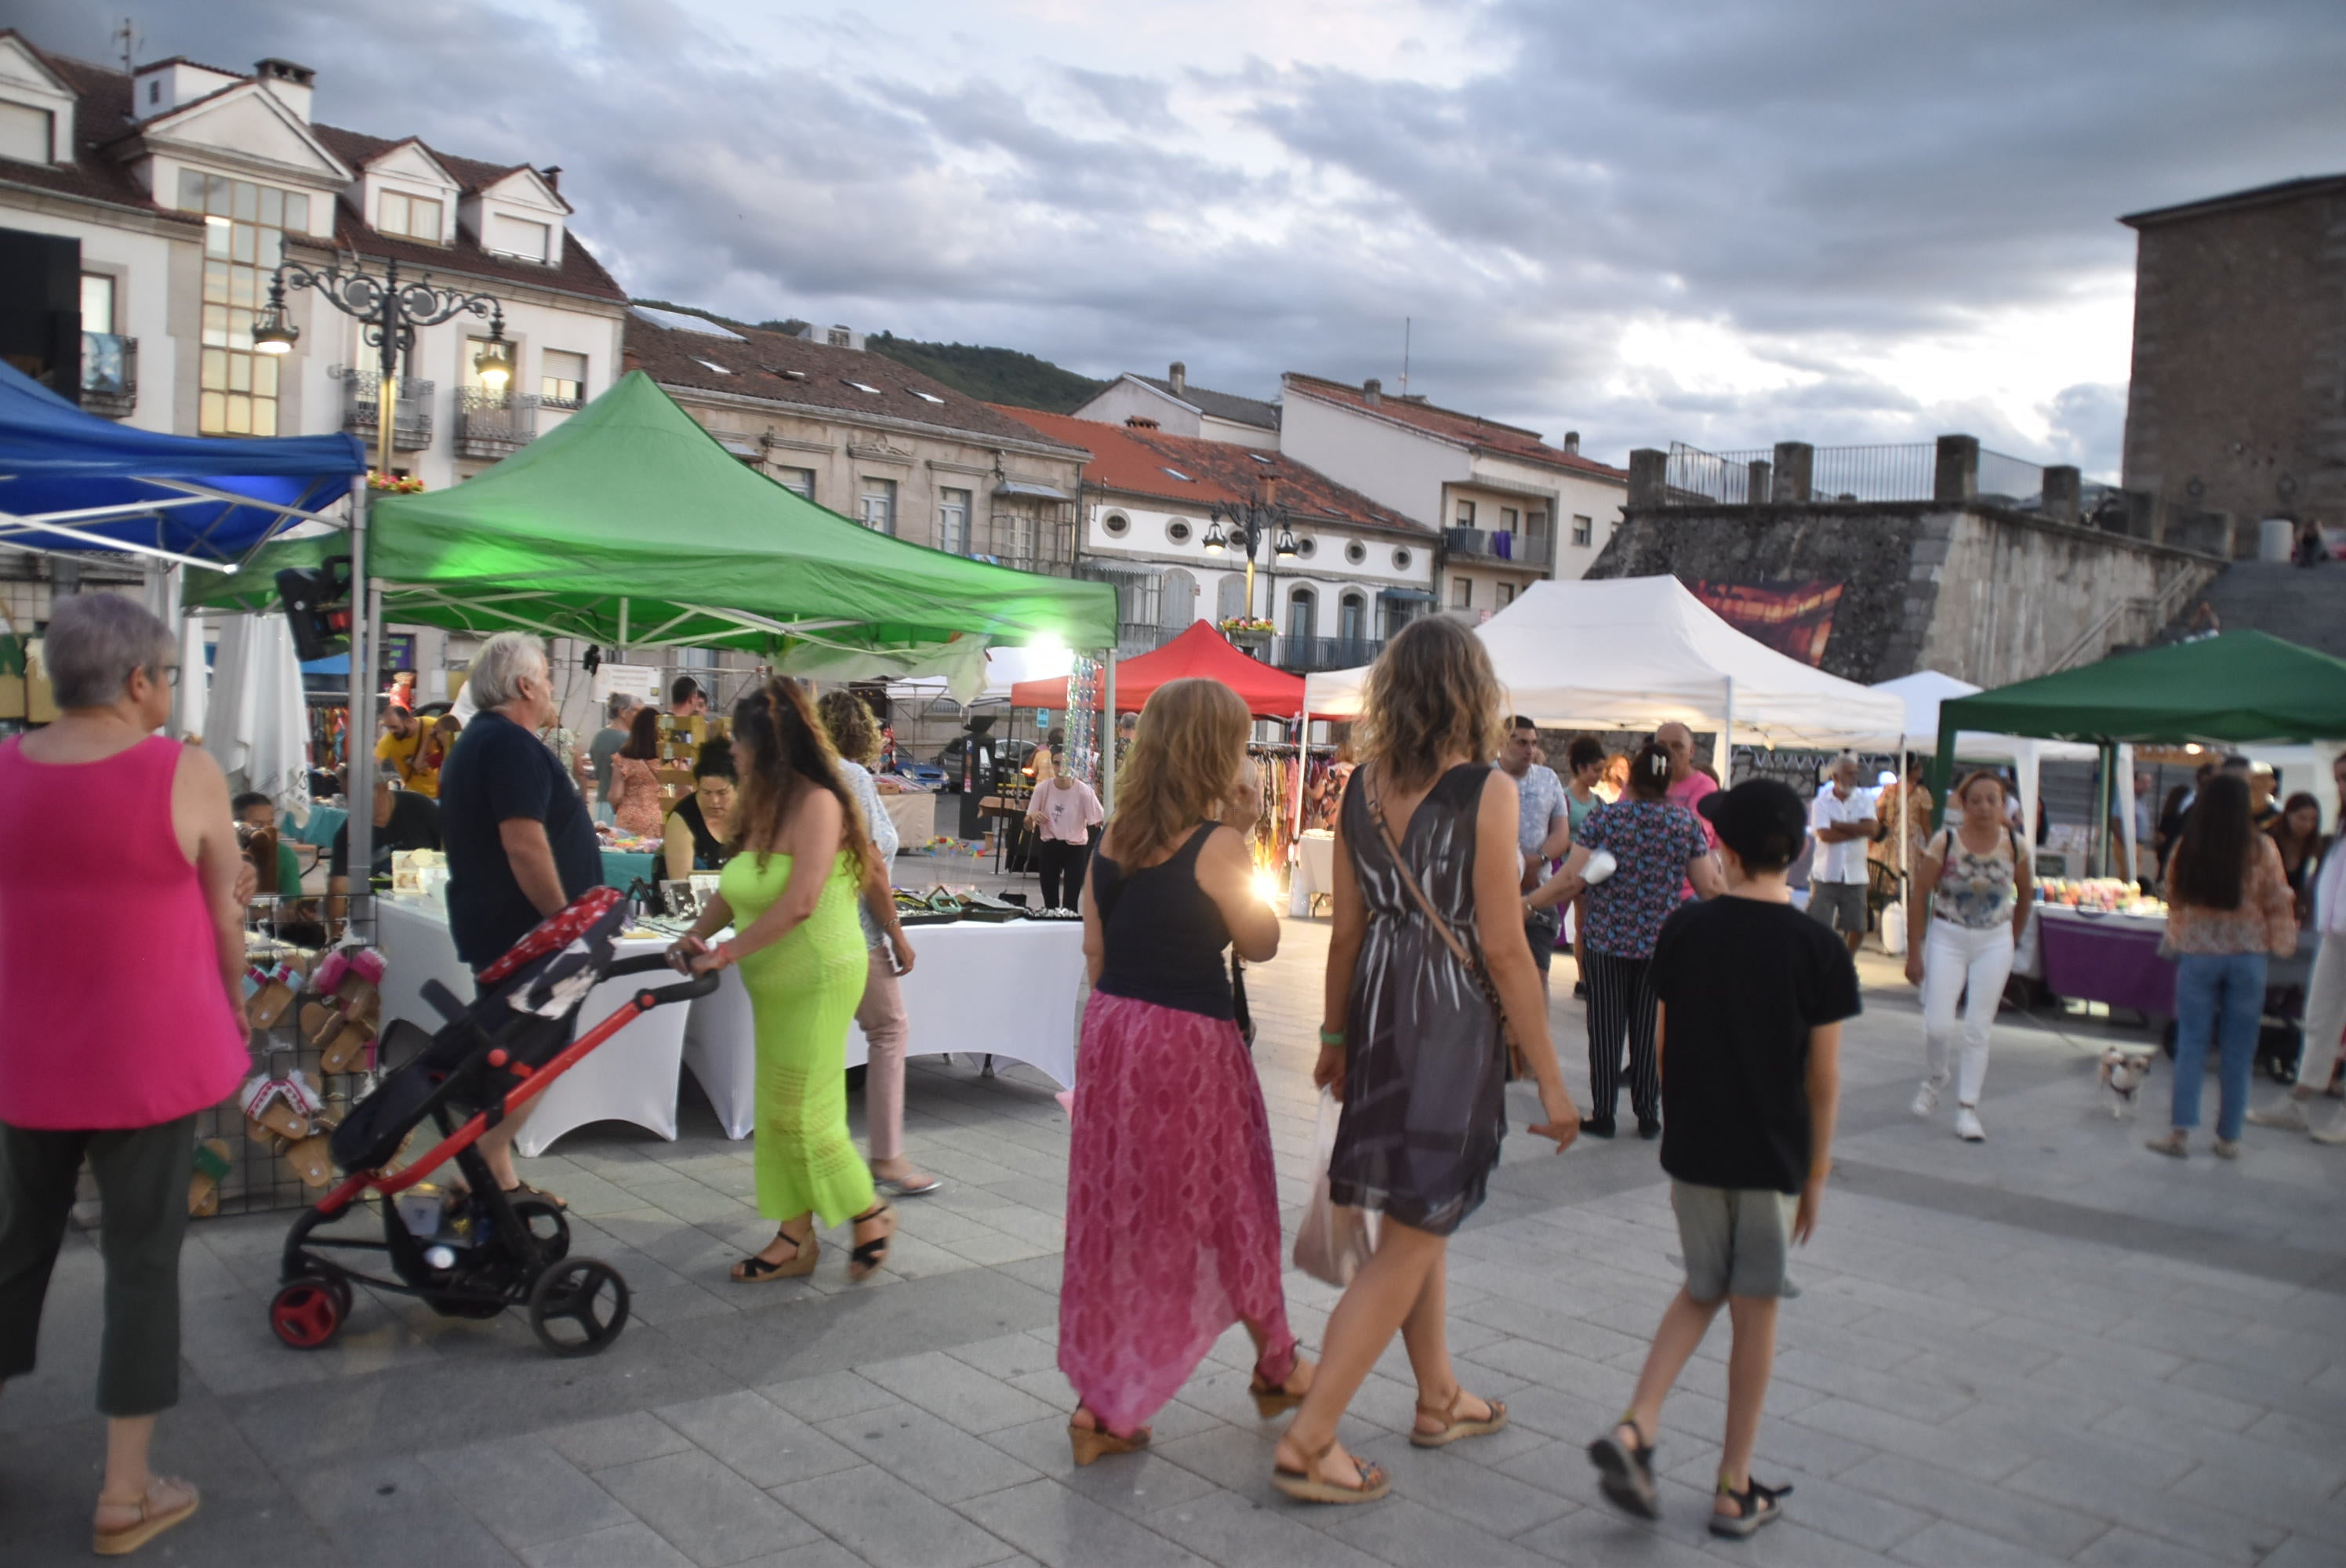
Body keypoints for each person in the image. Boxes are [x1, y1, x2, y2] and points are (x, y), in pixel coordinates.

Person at [1273, 619, 1579, 1505]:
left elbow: (1346, 931)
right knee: (1411, 1233)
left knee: (1417, 1211)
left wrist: (1334, 1039)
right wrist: (1553, 1080)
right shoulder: (1483, 789)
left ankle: (1439, 1395)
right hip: (1446, 1016)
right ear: (1470, 693)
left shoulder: (1360, 787)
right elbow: (1505, 946)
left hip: (1377, 1007)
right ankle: (1311, 1435)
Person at [0, 593, 249, 1555]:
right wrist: (232, 1002)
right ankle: (125, 1490)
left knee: (14, 1245)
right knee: (140, 1261)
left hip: (26, 1054)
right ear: (141, 680)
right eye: (172, 675)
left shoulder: (6, 770)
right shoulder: (183, 773)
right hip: (148, 1056)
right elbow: (227, 914)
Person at [1587, 778, 1855, 1541]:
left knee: (1700, 1286)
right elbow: (1823, 1077)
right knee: (1754, 1311)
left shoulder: (1687, 929)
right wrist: (1816, 1173)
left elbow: (1663, 1047)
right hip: (1769, 1154)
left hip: (1696, 1149)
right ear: (1799, 850)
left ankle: (1639, 1423)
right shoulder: (1819, 947)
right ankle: (1733, 1485)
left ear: (1726, 852)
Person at [1059, 678, 1307, 1464]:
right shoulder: (1217, 843)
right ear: (1212, 750)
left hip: (1114, 1033)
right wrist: (1243, 834)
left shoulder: (1112, 839)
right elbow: (1262, 940)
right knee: (1232, 1201)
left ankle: (1105, 1403)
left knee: (1122, 1218)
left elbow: (1094, 954)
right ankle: (1272, 1366)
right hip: (1189, 1043)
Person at [669, 678, 895, 1282]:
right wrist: (696, 935)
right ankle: (794, 1239)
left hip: (819, 972)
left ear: (767, 745)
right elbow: (738, 887)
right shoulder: (762, 802)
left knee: (805, 1114)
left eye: (739, 742)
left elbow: (800, 901)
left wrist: (728, 953)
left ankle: (867, 1211)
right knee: (776, 1111)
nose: (733, 754)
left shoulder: (820, 801)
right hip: (775, 980)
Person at [438, 632, 602, 1203]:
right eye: (549, 676)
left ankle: (494, 1170)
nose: (554, 686)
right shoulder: (508, 744)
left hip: (510, 930)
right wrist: (565, 923)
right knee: (535, 1050)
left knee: (526, 1050)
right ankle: (485, 1166)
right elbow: (525, 844)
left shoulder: (486, 741)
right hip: (528, 935)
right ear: (525, 684)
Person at [1530, 745, 1726, 1138]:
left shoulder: (1608, 819)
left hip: (1606, 941)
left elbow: (1572, 877)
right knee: (1648, 1029)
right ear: (1667, 780)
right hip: (1659, 944)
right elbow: (1708, 885)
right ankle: (1648, 1113)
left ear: (1631, 778)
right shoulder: (1685, 823)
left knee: (1604, 1029)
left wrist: (1527, 903)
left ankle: (1604, 1112)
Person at [814, 688, 938, 1199]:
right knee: (889, 1030)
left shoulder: (799, 778)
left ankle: (817, 1154)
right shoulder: (851, 778)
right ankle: (886, 1156)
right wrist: (896, 933)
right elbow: (871, 865)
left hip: (807, 929)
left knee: (816, 1045)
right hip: (851, 929)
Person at [2148, 773, 2298, 1159]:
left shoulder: (2188, 847)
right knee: (2239, 1048)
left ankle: (2180, 1133)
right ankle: (2228, 1137)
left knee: (2192, 1044)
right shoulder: (2262, 848)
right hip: (2247, 957)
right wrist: (2282, 942)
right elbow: (2278, 898)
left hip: (2198, 954)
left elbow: (2173, 895)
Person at [1903, 771, 2033, 1142]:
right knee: (1938, 1024)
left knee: (1979, 1027)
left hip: (1994, 940)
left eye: (1992, 800)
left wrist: (2012, 936)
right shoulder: (1946, 842)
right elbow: (1921, 892)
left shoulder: (2015, 844)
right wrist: (1915, 950)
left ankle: (1967, 1108)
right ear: (1962, 803)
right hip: (1948, 935)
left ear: (2003, 802)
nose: (1984, 808)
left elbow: (2025, 893)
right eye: (1975, 800)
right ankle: (1937, 1074)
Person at [2250, 759, 2346, 1141]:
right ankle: (2300, 1100)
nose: (2341, 785)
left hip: (2336, 929)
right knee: (2319, 1016)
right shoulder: (2339, 826)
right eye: (2339, 778)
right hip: (2333, 932)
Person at [1499, 717, 1571, 989]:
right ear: (1501, 742)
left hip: (1538, 891)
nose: (1529, 749)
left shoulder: (1548, 778)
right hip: (1498, 890)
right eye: (1521, 742)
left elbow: (1561, 833)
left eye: (1533, 743)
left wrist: (1535, 862)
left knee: (1537, 977)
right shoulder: (1486, 777)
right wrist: (1515, 868)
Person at [327, 769, 441, 909]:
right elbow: (338, 888)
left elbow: (450, 852)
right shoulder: (349, 832)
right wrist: (337, 930)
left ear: (383, 787)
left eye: (361, 796)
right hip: (377, 912)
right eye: (348, 797)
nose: (354, 804)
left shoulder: (420, 806)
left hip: (430, 905)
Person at [1807, 754, 1879, 954]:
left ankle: (1847, 959)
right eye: (1849, 774)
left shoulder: (1865, 801)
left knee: (1858, 926)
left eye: (1856, 774)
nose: (1854, 778)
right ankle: (1820, 960)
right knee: (1817, 923)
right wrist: (1858, 829)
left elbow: (1872, 830)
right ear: (1836, 777)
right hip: (1826, 873)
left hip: (1855, 875)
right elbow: (1825, 835)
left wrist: (1838, 825)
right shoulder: (1821, 803)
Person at [1026, 747, 1104, 910]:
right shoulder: (1042, 788)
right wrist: (1032, 817)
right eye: (1057, 763)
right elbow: (1027, 824)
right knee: (1050, 901)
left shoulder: (1083, 791)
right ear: (1052, 765)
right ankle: (1051, 930)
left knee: (1071, 902)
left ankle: (1068, 929)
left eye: (1065, 763)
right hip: (1050, 846)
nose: (1061, 768)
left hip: (1075, 848)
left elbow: (1099, 820)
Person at [1563, 735, 1607, 997]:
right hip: (1570, 869)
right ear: (1581, 768)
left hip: (1592, 871)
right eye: (1596, 770)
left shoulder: (1598, 802)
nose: (1600, 776)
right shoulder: (1565, 799)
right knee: (1583, 925)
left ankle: (1587, 976)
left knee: (1587, 925)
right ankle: (1584, 977)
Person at [663, 746, 736, 880]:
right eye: (706, 793)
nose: (714, 801)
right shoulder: (682, 819)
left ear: (737, 788)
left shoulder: (750, 812)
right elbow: (680, 883)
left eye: (722, 793)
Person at [605, 706, 666, 838]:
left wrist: (611, 800)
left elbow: (616, 795)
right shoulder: (666, 760)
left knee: (628, 856)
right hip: (659, 819)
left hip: (629, 821)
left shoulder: (622, 758)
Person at [234, 789, 305, 899]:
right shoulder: (220, 854)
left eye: (270, 823)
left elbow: (293, 903)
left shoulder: (284, 854)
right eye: (257, 824)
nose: (267, 830)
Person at [583, 692, 638, 826]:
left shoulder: (599, 736)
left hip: (602, 802)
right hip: (622, 805)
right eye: (636, 710)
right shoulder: (629, 740)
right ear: (623, 712)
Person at [2268, 792, 2324, 922]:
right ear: (2287, 815)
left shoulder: (2316, 848)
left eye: (2313, 820)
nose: (2308, 825)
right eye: (2302, 818)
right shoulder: (2271, 843)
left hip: (2301, 916)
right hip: (2272, 912)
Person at [402, 712, 459, 800]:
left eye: (440, 733)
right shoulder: (441, 756)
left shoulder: (461, 752)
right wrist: (428, 738)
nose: (438, 737)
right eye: (436, 734)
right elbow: (418, 765)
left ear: (449, 732)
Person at [373, 700, 428, 790]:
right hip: (413, 795)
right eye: (388, 727)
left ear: (409, 721)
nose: (391, 732)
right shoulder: (388, 741)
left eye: (395, 727)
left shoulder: (431, 726)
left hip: (441, 795)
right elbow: (374, 765)